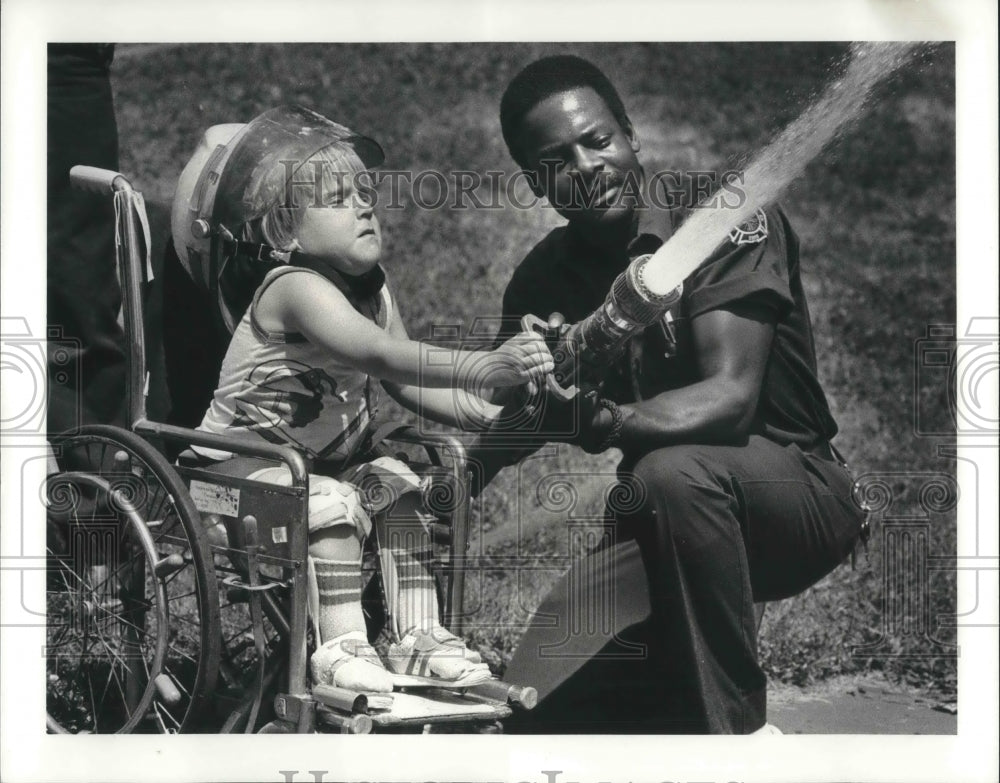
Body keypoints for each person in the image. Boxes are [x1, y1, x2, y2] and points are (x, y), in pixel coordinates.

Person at [482, 55, 868, 733]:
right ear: (534, 180)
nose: (587, 166)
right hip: (659, 518)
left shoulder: (718, 213)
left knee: (671, 473)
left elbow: (730, 399)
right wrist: (465, 457)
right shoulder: (544, 279)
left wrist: (601, 417)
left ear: (631, 135)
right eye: (557, 159)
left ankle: (739, 737)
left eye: (598, 141)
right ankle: (673, 693)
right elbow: (507, 422)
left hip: (795, 492)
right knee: (533, 704)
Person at [171, 106, 553, 692]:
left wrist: (496, 407)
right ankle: (342, 647)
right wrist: (484, 364)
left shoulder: (370, 290)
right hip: (233, 477)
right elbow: (380, 356)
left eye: (365, 190)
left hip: (313, 470)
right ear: (284, 233)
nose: (364, 204)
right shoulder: (295, 288)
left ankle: (417, 638)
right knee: (329, 503)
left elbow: (408, 384)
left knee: (395, 486)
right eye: (335, 197)